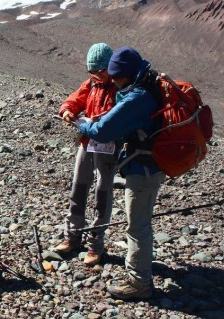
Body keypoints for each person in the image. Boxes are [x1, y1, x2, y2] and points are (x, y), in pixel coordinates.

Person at [77, 47, 165, 300]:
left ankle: (139, 283)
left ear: (127, 74)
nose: (113, 81)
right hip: (147, 165)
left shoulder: (137, 97)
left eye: (116, 77)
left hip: (143, 169)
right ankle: (141, 273)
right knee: (139, 223)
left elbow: (104, 130)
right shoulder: (146, 84)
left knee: (137, 227)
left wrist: (83, 123)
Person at [54, 43, 118, 266]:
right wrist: (67, 110)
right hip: (87, 142)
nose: (96, 75)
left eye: (99, 71)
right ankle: (72, 236)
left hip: (109, 146)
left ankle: (96, 245)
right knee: (78, 187)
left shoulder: (121, 86)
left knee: (103, 193)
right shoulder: (91, 83)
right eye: (92, 71)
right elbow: (74, 99)